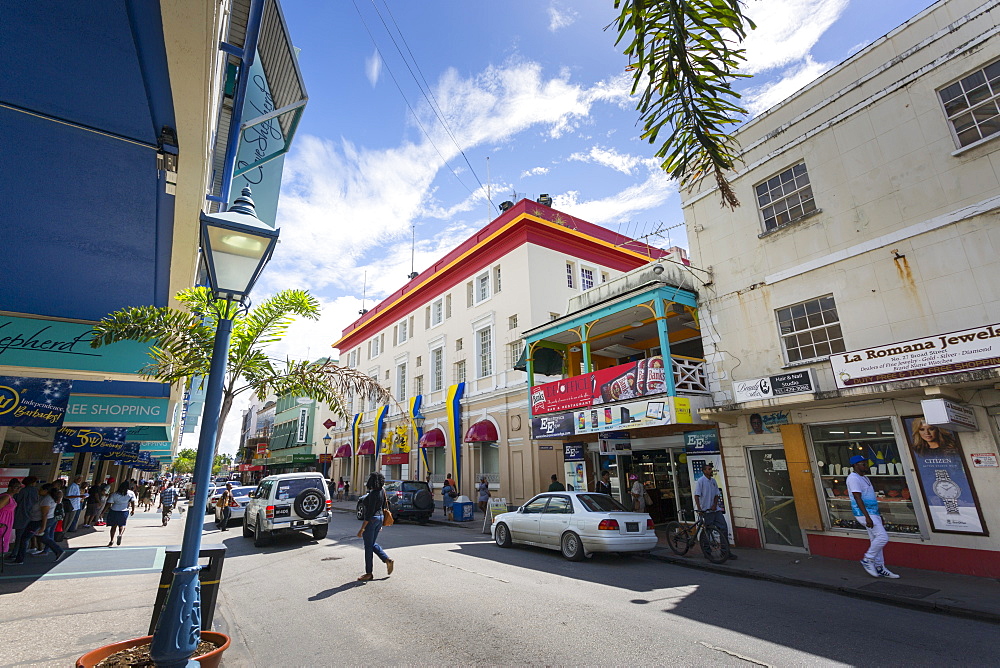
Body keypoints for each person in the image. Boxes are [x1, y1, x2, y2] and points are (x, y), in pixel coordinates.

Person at [847, 454, 898, 578]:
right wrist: (867, 517)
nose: (866, 465)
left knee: (875, 540)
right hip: (864, 513)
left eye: (866, 463)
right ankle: (867, 559)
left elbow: (870, 497)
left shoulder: (865, 478)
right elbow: (857, 497)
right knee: (882, 537)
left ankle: (880, 567)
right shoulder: (853, 478)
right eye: (863, 463)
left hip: (872, 513)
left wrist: (878, 515)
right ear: (855, 465)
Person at [12, 485, 65, 563]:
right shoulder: (50, 498)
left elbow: (44, 514)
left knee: (24, 538)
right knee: (43, 537)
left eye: (40, 489)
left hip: (38, 521)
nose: (38, 491)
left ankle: (19, 559)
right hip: (44, 520)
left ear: (46, 490)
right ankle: (58, 550)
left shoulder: (47, 500)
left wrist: (43, 527)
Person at [356, 472, 393, 581]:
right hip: (380, 518)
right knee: (371, 543)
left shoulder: (373, 494)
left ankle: (369, 573)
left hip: (372, 520)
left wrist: (362, 528)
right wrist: (380, 525)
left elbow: (369, 512)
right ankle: (386, 559)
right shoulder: (382, 491)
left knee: (368, 547)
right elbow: (383, 506)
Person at [693, 463, 736, 559]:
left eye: (711, 469)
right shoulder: (701, 481)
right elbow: (697, 495)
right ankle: (707, 552)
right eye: (709, 469)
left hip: (715, 510)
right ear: (704, 471)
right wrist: (700, 508)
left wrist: (714, 505)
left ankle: (725, 552)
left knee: (723, 528)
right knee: (707, 531)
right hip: (705, 511)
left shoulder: (713, 481)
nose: (711, 470)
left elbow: (717, 494)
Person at [12, 476, 39, 555]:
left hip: (21, 515)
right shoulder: (35, 491)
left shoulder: (21, 491)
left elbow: (16, 500)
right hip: (32, 515)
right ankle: (29, 549)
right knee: (28, 536)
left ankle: (15, 553)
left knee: (19, 537)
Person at [105, 481, 137, 547]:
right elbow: (133, 502)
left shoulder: (115, 494)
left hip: (114, 510)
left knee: (113, 526)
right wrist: (133, 510)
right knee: (122, 524)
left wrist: (103, 512)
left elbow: (109, 503)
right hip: (124, 510)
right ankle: (120, 534)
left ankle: (111, 540)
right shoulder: (130, 493)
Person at [1, 479, 22, 560]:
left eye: (19, 487)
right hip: (2, 522)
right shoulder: (6, 497)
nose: (18, 489)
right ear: (10, 487)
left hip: (6, 521)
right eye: (16, 487)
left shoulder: (9, 496)